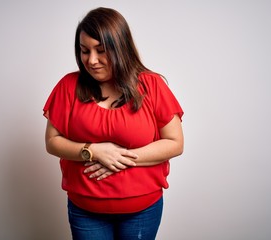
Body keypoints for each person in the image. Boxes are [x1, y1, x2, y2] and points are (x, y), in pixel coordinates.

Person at [43, 7, 184, 240]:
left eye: (101, 50)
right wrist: (94, 151)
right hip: (85, 210)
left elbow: (175, 143)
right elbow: (52, 141)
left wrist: (118, 158)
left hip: (142, 210)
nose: (92, 60)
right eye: (84, 51)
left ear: (120, 47)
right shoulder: (68, 86)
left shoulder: (152, 85)